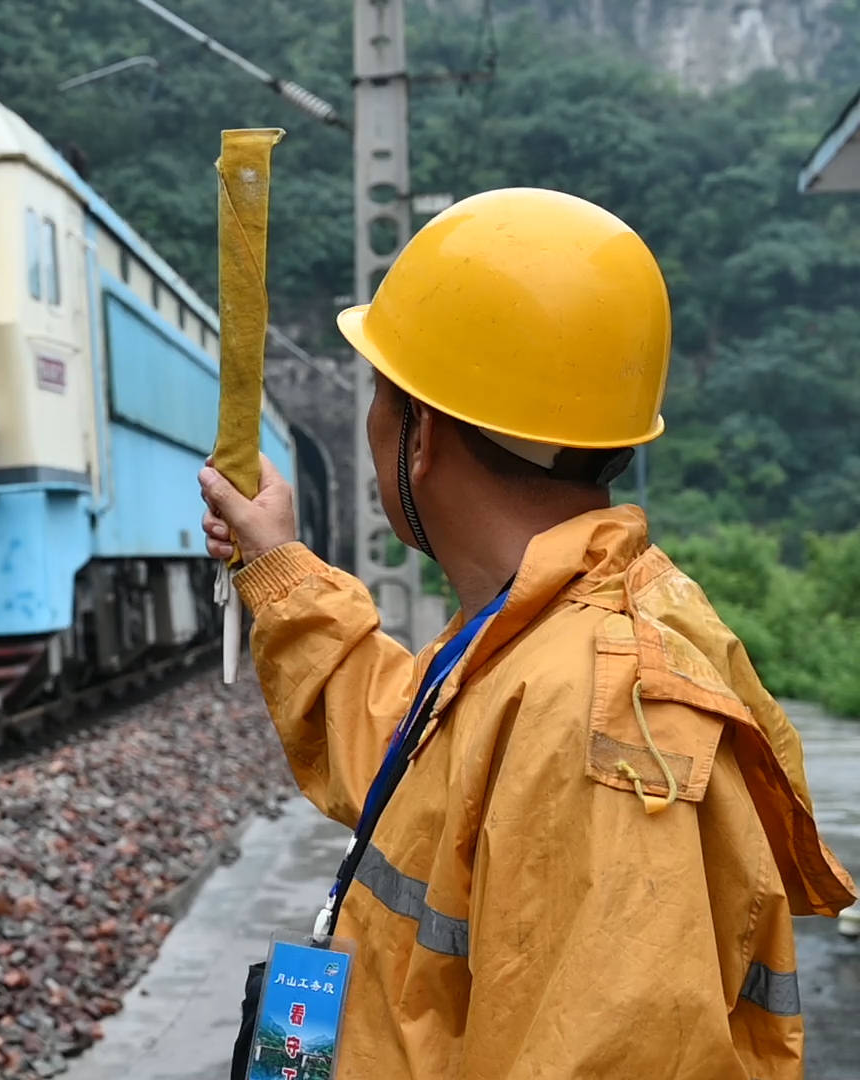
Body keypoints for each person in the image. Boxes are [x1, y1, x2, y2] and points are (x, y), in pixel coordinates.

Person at [198, 186, 855, 1078]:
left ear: (418, 435)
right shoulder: (525, 640)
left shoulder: (608, 726)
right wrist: (278, 565)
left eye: (382, 400)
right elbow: (394, 750)